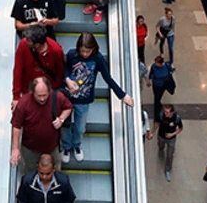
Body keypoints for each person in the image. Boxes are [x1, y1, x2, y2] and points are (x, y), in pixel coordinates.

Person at [61, 32, 133, 163]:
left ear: (93, 48)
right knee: (64, 125)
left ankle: (76, 145)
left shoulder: (98, 59)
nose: (85, 54)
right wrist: (67, 80)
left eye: (88, 51)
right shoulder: (72, 55)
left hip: (84, 100)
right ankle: (66, 146)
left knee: (80, 127)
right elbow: (65, 70)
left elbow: (108, 78)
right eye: (82, 51)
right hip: (67, 97)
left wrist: (122, 95)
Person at [10, 77, 72, 174]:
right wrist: (15, 148)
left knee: (56, 170)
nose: (42, 99)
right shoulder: (23, 103)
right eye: (39, 96)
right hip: (30, 149)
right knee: (30, 171)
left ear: (49, 90)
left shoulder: (57, 97)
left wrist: (61, 119)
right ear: (32, 92)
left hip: (52, 147)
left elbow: (68, 107)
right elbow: (16, 126)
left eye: (45, 95)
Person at [155, 103, 183, 182]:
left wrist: (172, 134)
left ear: (172, 112)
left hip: (171, 139)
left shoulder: (176, 118)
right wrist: (152, 132)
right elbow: (157, 123)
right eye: (165, 111)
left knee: (170, 155)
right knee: (160, 145)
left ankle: (168, 170)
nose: (165, 113)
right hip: (161, 136)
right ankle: (161, 148)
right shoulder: (161, 115)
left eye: (167, 112)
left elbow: (180, 128)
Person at [147, 53, 173, 117]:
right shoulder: (153, 66)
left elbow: (171, 71)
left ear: (161, 63)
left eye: (157, 63)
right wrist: (149, 80)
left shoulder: (167, 65)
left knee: (159, 96)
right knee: (156, 97)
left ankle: (158, 104)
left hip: (163, 85)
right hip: (156, 85)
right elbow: (151, 73)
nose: (155, 64)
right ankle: (157, 110)